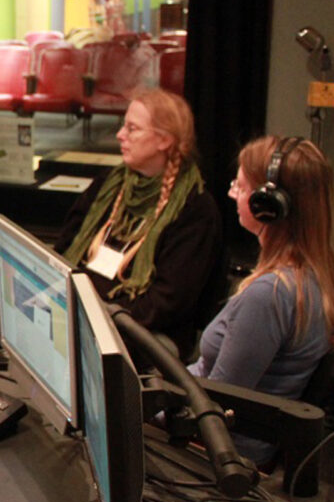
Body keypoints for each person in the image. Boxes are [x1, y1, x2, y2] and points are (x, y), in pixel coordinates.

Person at [55, 89, 222, 356]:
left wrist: (99, 321)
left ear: (164, 140)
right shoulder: (110, 185)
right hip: (82, 311)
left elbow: (166, 303)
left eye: (132, 129)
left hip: (145, 331)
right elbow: (65, 248)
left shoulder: (195, 210)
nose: (121, 135)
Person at [189, 136, 334, 401]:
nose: (231, 193)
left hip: (209, 436)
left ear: (268, 206)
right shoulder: (310, 277)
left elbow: (215, 405)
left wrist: (141, 409)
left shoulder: (268, 296)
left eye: (240, 187)